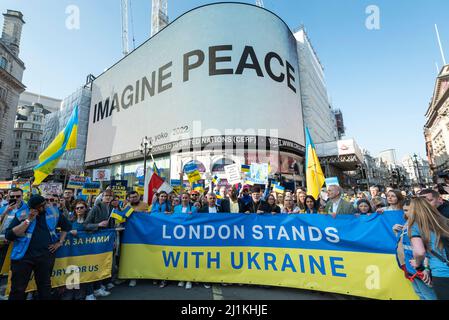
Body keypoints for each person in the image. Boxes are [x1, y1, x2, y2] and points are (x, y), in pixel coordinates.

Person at [5, 195, 71, 300]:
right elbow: (9, 235)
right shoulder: (22, 214)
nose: (45, 207)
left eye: (44, 204)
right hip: (23, 257)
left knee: (45, 288)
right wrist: (28, 220)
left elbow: (67, 226)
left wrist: (60, 242)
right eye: (41, 206)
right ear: (33, 208)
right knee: (18, 289)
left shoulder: (53, 211)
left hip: (45, 255)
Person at [393, 199, 437, 300]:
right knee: (421, 294)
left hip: (421, 269)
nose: (407, 213)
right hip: (411, 267)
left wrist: (425, 269)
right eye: (404, 210)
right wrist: (396, 232)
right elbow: (403, 245)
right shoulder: (407, 223)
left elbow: (427, 249)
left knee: (429, 296)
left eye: (409, 210)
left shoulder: (422, 225)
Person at [406, 197, 449, 300]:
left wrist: (418, 265)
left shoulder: (414, 226)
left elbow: (420, 252)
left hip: (442, 272)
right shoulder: (446, 221)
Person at [61, 200, 96, 300]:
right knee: (73, 271)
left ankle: (89, 293)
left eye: (81, 207)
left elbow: (95, 232)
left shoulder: (89, 221)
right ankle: (74, 294)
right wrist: (70, 231)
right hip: (73, 251)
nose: (79, 209)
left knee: (87, 272)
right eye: (77, 208)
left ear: (86, 209)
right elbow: (65, 231)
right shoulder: (71, 221)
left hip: (87, 251)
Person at [83, 189, 115, 297]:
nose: (108, 198)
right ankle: (94, 289)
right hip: (95, 240)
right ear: (102, 196)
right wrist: (99, 225)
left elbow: (111, 226)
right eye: (106, 195)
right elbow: (85, 225)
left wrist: (113, 240)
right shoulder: (96, 208)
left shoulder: (111, 208)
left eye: (110, 196)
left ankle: (99, 286)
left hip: (105, 241)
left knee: (102, 263)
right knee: (95, 264)